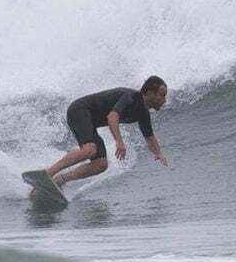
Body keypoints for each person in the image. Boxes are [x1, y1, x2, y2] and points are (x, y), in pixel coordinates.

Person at [37, 76, 169, 192]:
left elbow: (149, 137)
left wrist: (158, 153)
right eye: (162, 95)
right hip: (80, 110)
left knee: (101, 164)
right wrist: (119, 141)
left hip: (91, 122)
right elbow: (112, 116)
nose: (164, 100)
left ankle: (60, 180)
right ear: (150, 93)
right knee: (89, 150)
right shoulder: (131, 97)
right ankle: (47, 174)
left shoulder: (143, 113)